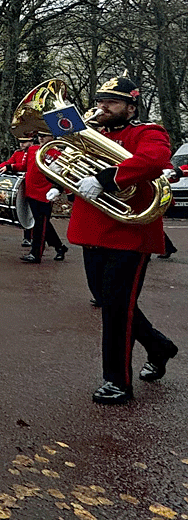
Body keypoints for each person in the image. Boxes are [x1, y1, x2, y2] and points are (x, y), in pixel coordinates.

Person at [66, 75, 177, 404]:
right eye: (101, 100)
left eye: (112, 102)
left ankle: (118, 381)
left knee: (116, 308)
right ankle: (158, 346)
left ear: (130, 107)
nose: (103, 107)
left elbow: (153, 160)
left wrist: (105, 178)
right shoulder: (92, 134)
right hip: (93, 230)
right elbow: (63, 159)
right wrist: (65, 180)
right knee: (111, 301)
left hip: (130, 234)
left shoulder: (147, 132)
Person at [19, 131, 68, 263]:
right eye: (39, 135)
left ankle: (36, 254)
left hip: (45, 193)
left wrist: (61, 191)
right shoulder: (32, 149)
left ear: (52, 137)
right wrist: (9, 167)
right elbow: (24, 167)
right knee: (43, 223)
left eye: (44, 135)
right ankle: (60, 247)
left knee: (40, 225)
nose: (41, 138)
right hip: (29, 192)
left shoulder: (58, 154)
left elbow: (62, 175)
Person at [0, 136, 35, 247]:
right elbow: (9, 162)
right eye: (20, 142)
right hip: (21, 187)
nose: (21, 144)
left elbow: (24, 167)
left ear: (31, 141)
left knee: (32, 215)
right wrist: (0, 166)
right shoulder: (18, 153)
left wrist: (10, 167)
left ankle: (31, 238)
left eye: (25, 142)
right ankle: (30, 238)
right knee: (26, 212)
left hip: (31, 186)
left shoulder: (33, 153)